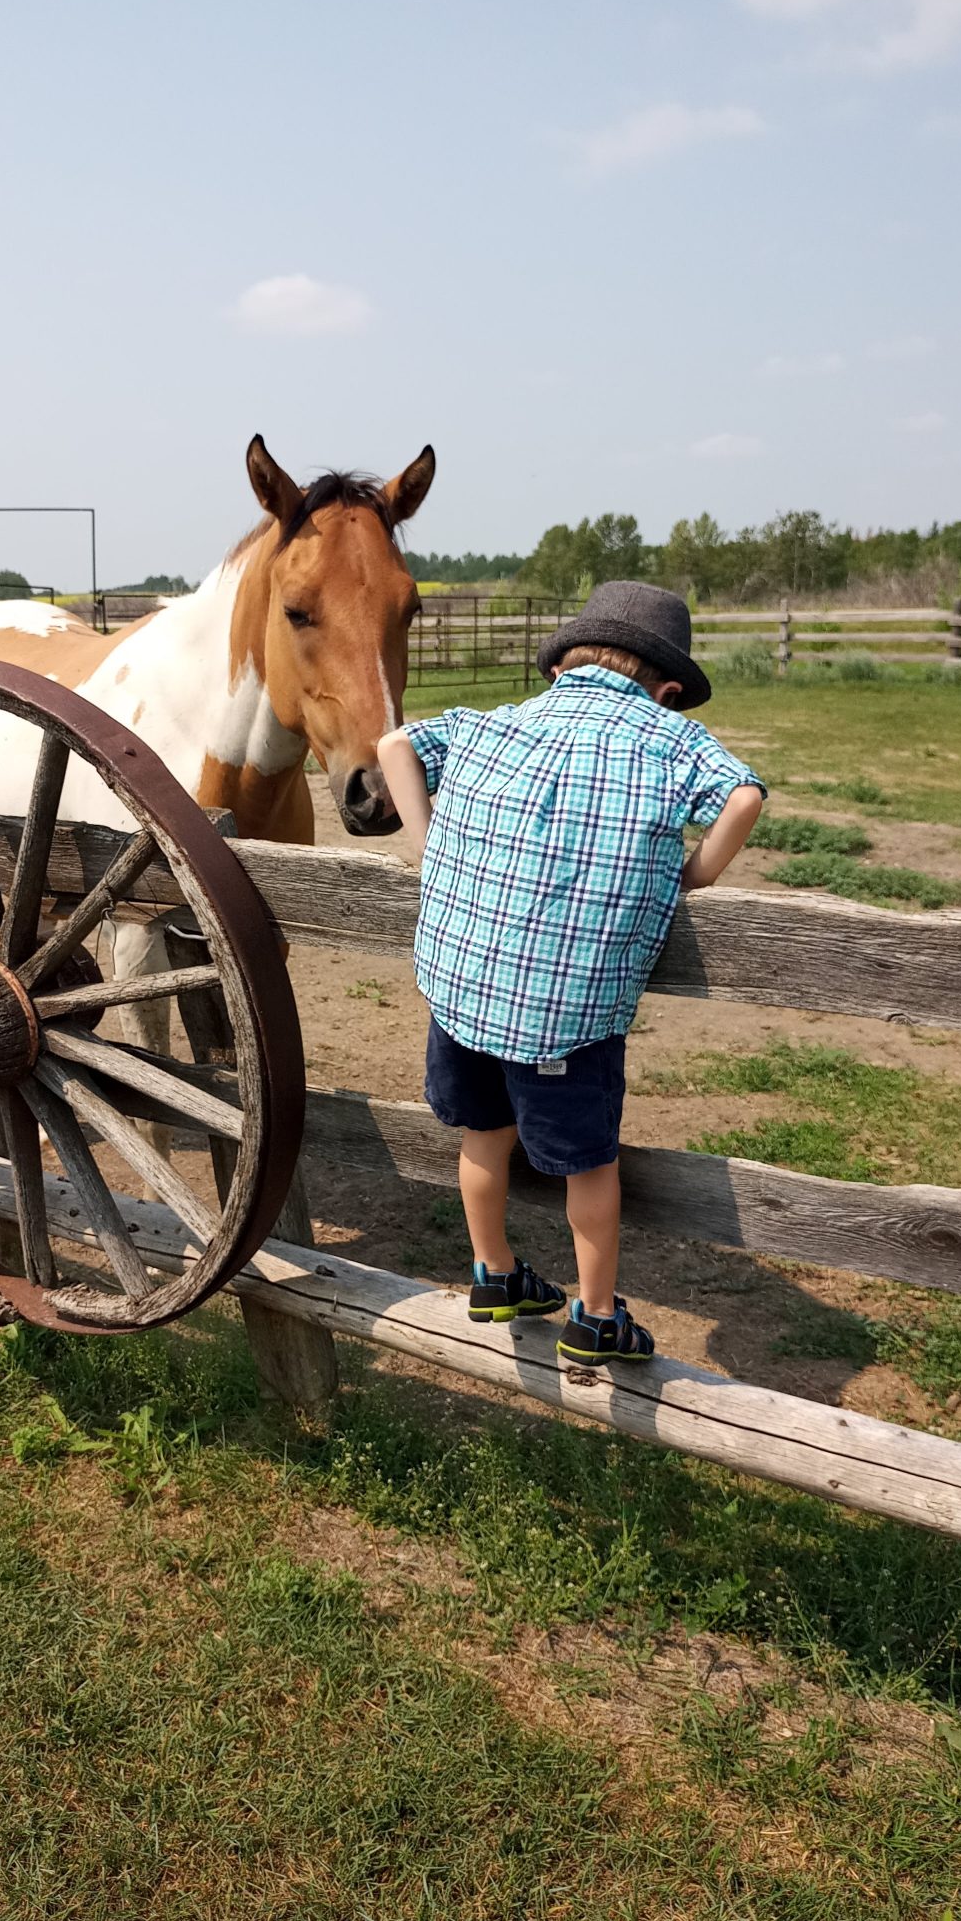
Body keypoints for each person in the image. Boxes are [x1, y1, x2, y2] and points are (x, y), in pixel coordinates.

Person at [376, 582, 765, 1367]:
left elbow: (394, 748)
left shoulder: (498, 722)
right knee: (588, 1166)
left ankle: (493, 1272)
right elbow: (745, 795)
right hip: (568, 1008)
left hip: (464, 989)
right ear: (667, 690)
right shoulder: (665, 737)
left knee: (481, 1140)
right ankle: (594, 1318)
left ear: (562, 669)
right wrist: (699, 874)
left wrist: (424, 845)